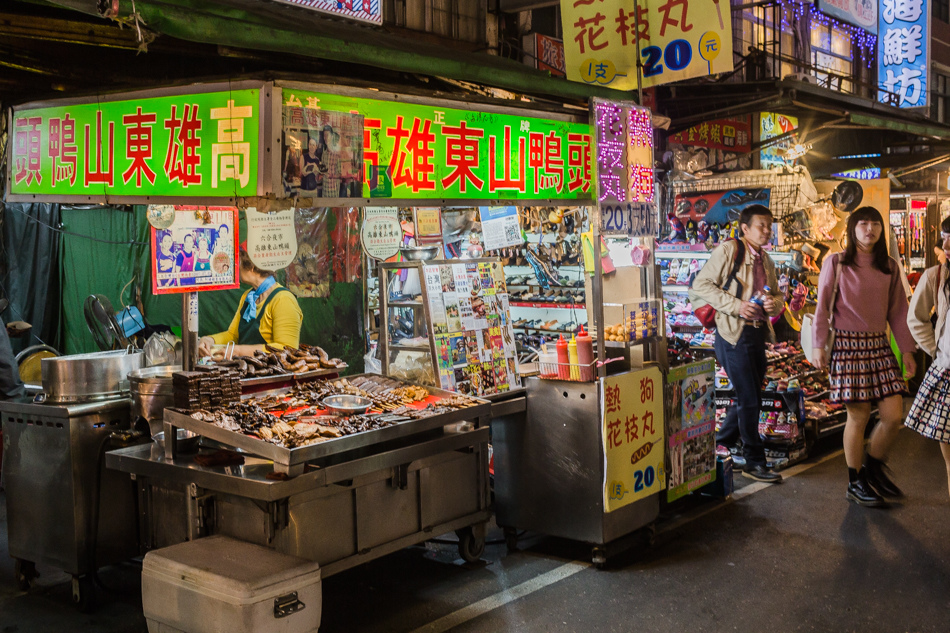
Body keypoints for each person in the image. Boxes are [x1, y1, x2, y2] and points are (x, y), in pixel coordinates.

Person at [813, 206, 917, 507]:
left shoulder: (889, 267)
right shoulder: (836, 263)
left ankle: (872, 467)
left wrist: (907, 351)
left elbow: (899, 312)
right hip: (846, 346)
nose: (869, 229)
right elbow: (822, 307)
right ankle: (855, 481)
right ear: (852, 228)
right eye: (863, 223)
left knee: (893, 416)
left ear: (882, 230)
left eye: (875, 224)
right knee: (857, 416)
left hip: (879, 345)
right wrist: (819, 345)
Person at [691, 204, 785, 483]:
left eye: (769, 225)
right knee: (750, 398)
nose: (767, 231)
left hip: (757, 333)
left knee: (750, 394)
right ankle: (754, 461)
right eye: (761, 226)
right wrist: (737, 306)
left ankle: (720, 441)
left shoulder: (766, 259)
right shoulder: (730, 250)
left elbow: (779, 295)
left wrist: (772, 303)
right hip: (733, 334)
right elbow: (701, 285)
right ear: (745, 228)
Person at [905, 217, 950, 498]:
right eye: (945, 238)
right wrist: (937, 350)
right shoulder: (936, 276)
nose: (946, 245)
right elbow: (916, 318)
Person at [197, 244, 303, 358]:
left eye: (239, 262)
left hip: (272, 372)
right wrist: (209, 340)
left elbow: (287, 349)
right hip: (246, 370)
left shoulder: (283, 300)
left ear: (252, 266)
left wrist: (238, 351)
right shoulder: (248, 296)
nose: (236, 267)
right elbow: (232, 335)